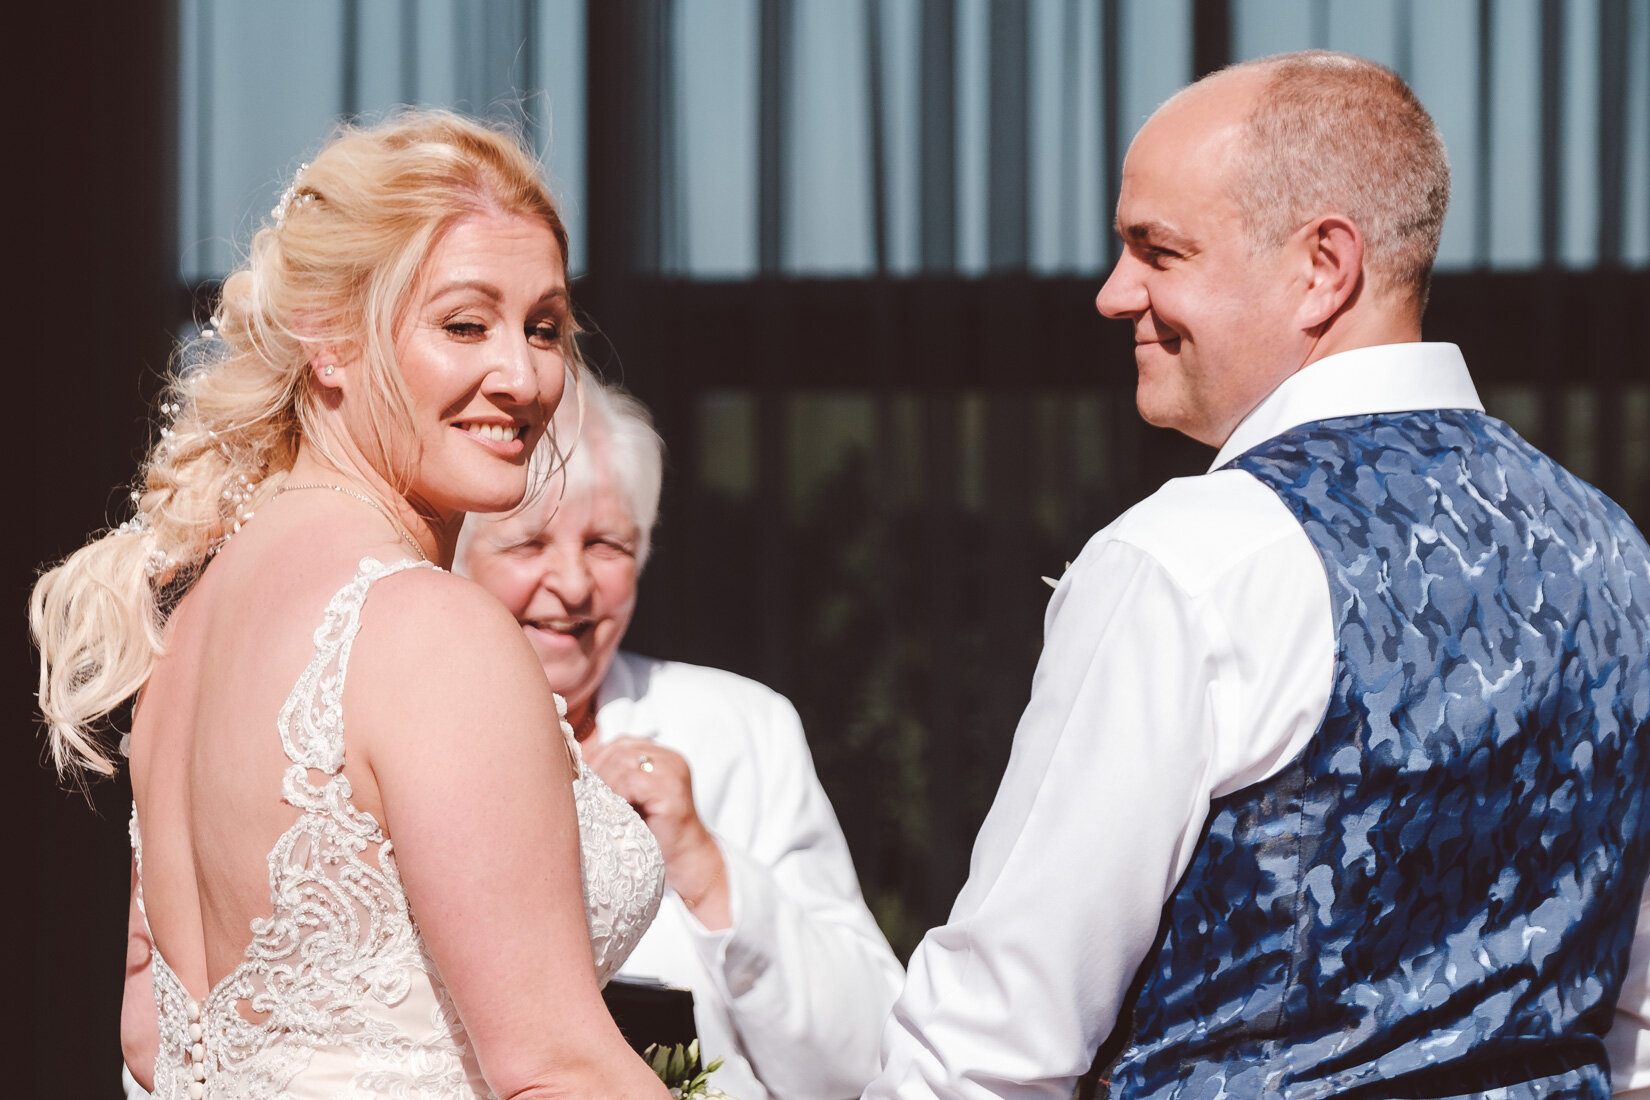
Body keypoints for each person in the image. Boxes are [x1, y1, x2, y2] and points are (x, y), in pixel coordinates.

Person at [865, 50, 1650, 1099]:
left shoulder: (1195, 559)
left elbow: (991, 1042)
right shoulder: (1613, 551)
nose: (1113, 293)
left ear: (1324, 265)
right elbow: (1635, 1024)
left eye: (1159, 249)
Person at [31, 110, 672, 1099]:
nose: (524, 374)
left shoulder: (190, 622)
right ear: (327, 340)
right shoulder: (429, 631)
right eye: (465, 323)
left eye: (544, 326)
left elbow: (149, 1035)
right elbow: (555, 1069)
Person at [457, 376, 906, 1100]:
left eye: (606, 544)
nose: (573, 584)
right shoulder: (396, 738)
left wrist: (705, 866)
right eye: (529, 542)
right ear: (456, 556)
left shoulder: (742, 728)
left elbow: (870, 1055)